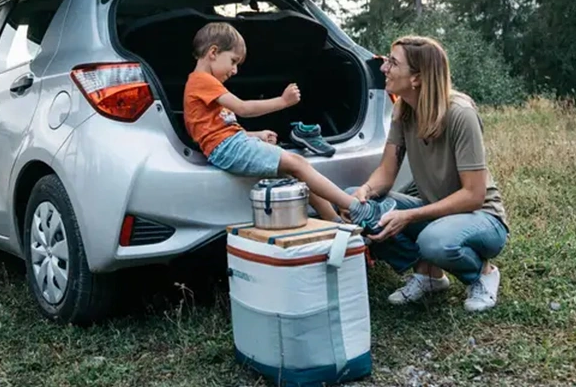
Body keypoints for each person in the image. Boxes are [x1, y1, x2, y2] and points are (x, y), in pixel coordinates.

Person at [348, 35, 509, 313]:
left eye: (393, 63)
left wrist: (410, 215)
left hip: (483, 217)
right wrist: (364, 192)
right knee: (358, 207)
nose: (384, 68)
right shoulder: (404, 110)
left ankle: (483, 274)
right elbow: (386, 173)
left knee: (435, 241)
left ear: (417, 78)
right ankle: (429, 275)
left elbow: (473, 195)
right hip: (436, 211)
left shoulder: (460, 114)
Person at [184, 22, 392, 226]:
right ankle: (358, 209)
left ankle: (336, 223)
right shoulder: (203, 80)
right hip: (228, 147)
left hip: (229, 144)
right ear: (213, 52)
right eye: (233, 61)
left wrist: (255, 135)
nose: (235, 70)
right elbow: (243, 108)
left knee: (296, 173)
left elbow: (215, 130)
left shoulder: (201, 83)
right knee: (298, 163)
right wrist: (282, 102)